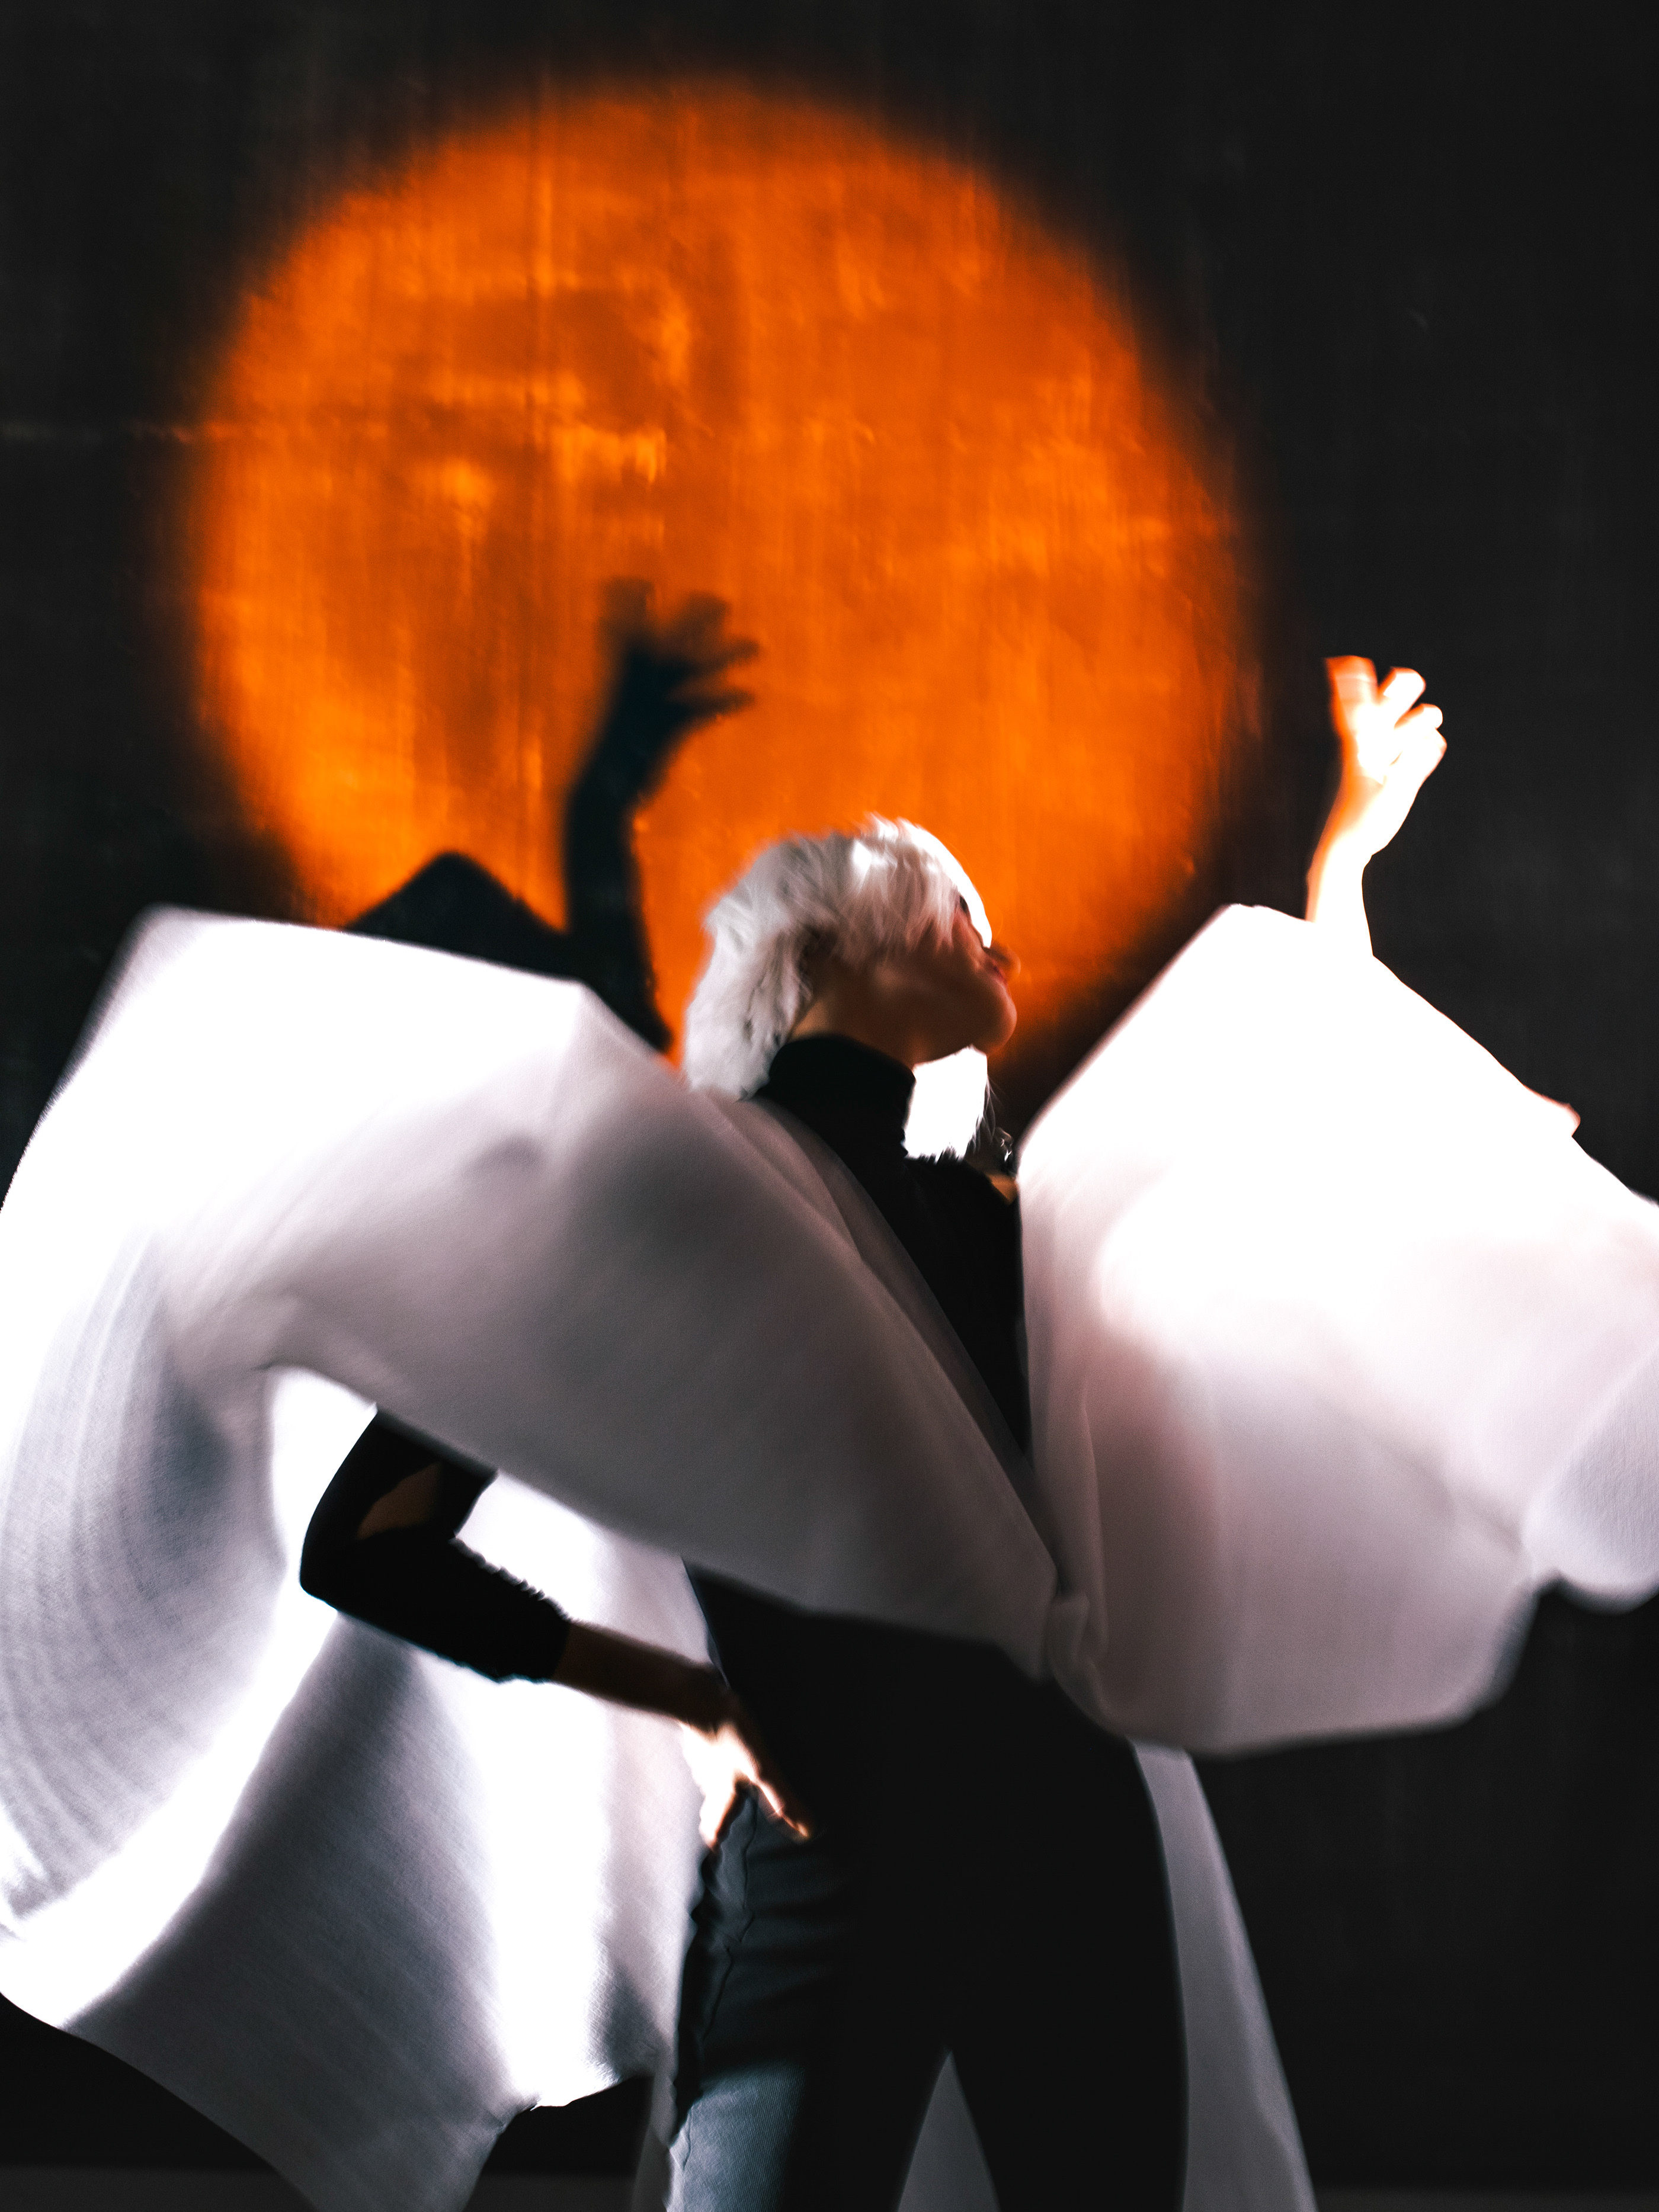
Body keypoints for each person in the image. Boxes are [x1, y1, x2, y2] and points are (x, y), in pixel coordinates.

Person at [298, 646, 1446, 2209]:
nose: (1002, 940)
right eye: (963, 909)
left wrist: (1344, 863)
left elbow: (1288, 1152)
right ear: (837, 939)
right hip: (844, 1839)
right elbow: (367, 1541)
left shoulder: (1007, 1218)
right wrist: (692, 1697)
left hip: (1062, 1832)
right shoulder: (673, 1191)